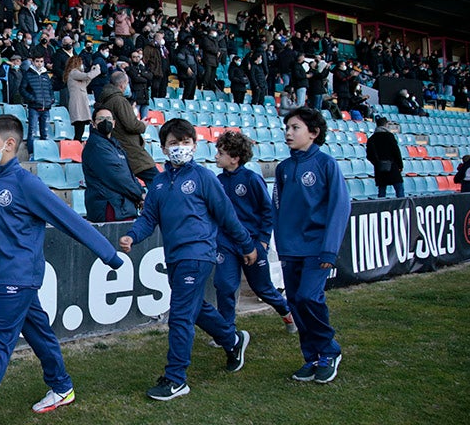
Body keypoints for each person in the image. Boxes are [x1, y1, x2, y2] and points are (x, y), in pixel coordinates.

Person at [0, 115, 124, 425]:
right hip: (7, 278)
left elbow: (67, 219)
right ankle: (62, 387)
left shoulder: (26, 183)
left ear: (8, 144)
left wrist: (109, 254)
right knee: (39, 334)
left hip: (20, 279)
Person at [119, 118, 256, 401]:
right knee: (198, 309)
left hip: (199, 254)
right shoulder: (158, 184)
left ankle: (176, 378)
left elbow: (227, 216)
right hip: (175, 257)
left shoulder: (204, 178)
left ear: (194, 145)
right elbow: (149, 219)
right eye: (173, 143)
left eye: (185, 142)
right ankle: (232, 339)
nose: (179, 148)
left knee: (180, 315)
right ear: (164, 148)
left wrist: (246, 244)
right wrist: (133, 236)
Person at [274, 107, 349, 384]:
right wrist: (281, 244)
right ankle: (312, 357)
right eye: (287, 128)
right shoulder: (283, 168)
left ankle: (329, 351)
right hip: (290, 249)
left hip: (317, 247)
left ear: (313, 133)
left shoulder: (326, 165)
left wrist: (329, 249)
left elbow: (340, 207)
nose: (288, 133)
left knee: (308, 297)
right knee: (295, 301)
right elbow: (278, 208)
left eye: (295, 128)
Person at [213, 131, 296, 333]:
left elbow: (268, 211)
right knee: (224, 286)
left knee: (262, 289)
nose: (216, 156)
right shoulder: (217, 181)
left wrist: (263, 241)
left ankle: (287, 313)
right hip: (226, 243)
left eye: (220, 153)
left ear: (234, 158)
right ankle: (227, 333)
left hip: (252, 243)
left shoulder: (251, 179)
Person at [82, 108, 144, 222]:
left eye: (108, 119)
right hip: (109, 207)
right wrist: (140, 195)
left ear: (114, 123)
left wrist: (140, 194)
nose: (105, 121)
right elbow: (117, 176)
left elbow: (128, 173)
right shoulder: (97, 146)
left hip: (122, 206)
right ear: (93, 124)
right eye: (101, 119)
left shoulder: (114, 145)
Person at [96, 71, 157, 184]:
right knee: (156, 180)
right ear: (122, 85)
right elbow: (131, 125)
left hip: (119, 146)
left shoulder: (106, 100)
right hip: (130, 148)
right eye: (128, 83)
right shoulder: (120, 100)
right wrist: (142, 125)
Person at [20, 54, 55, 154]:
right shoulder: (28, 74)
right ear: (33, 62)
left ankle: (44, 153)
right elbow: (22, 89)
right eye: (37, 61)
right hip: (34, 108)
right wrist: (32, 99)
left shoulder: (45, 75)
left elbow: (50, 89)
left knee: (45, 133)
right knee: (32, 132)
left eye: (41, 61)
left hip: (46, 108)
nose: (39, 64)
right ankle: (31, 153)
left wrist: (51, 99)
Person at [366, 116, 404, 198]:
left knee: (382, 190)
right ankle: (403, 207)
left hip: (380, 168)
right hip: (393, 166)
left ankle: (381, 208)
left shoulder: (372, 139)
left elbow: (369, 155)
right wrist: (400, 166)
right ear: (386, 125)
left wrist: (377, 163)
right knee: (399, 189)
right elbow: (396, 152)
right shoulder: (390, 136)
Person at [65, 54, 98, 141]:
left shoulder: (75, 74)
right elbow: (87, 76)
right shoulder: (74, 72)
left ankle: (77, 144)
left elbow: (85, 82)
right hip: (77, 103)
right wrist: (97, 70)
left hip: (81, 102)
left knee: (81, 127)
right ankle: (75, 145)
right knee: (79, 128)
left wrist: (91, 71)